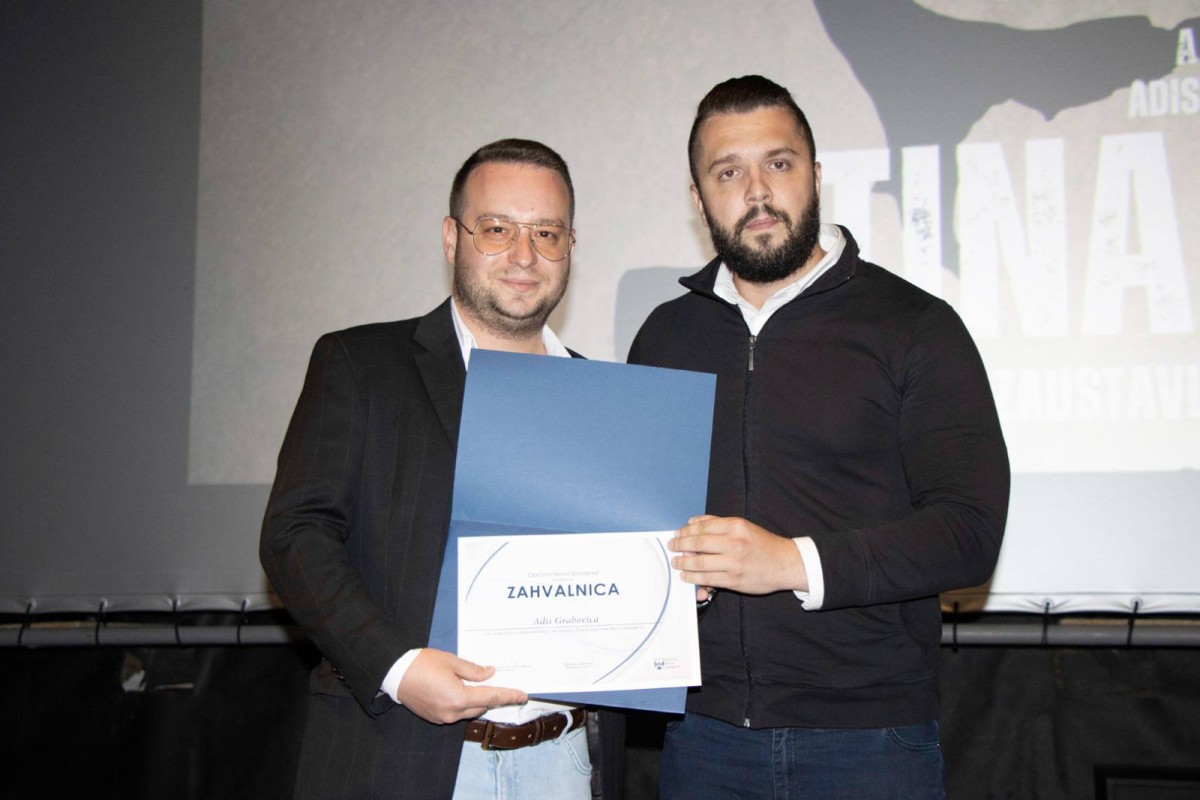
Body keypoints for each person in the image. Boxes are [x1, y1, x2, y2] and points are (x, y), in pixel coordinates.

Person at [628, 76, 1010, 799]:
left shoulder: (915, 326)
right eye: (728, 172)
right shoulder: (664, 336)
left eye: (778, 163)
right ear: (698, 199)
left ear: (816, 175)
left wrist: (791, 562)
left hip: (871, 740)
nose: (758, 191)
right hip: (702, 736)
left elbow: (969, 532)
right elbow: (638, 516)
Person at [261, 139, 623, 800]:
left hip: (568, 763)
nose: (524, 254)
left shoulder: (608, 400)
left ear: (571, 246)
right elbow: (294, 536)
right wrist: (396, 668)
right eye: (498, 229)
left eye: (546, 233)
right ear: (453, 238)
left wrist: (672, 579)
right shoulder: (360, 365)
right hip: (400, 756)